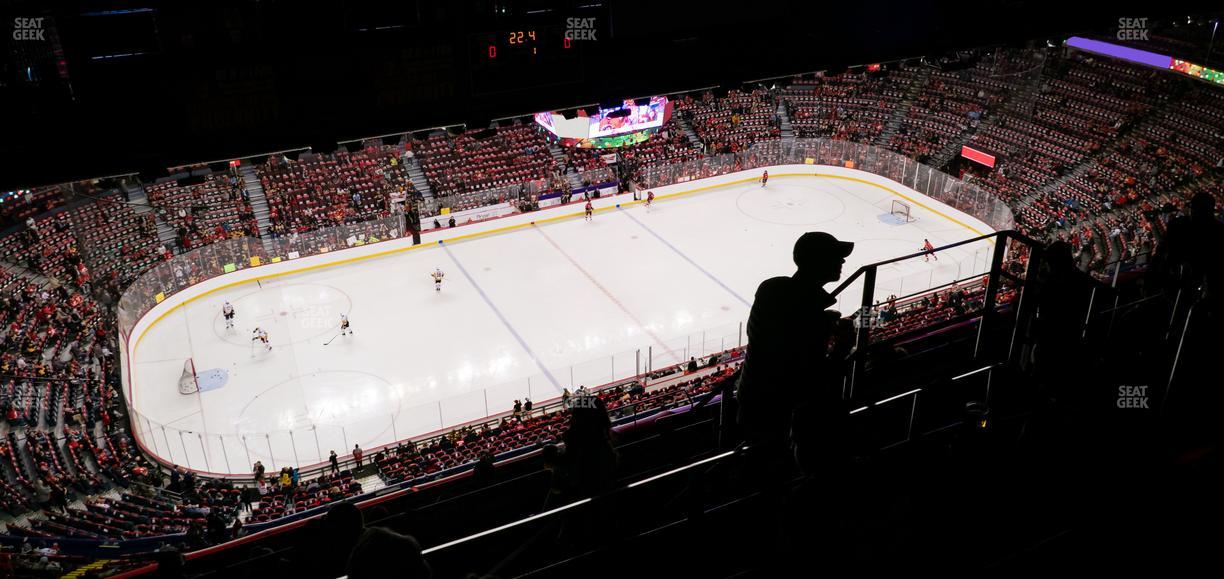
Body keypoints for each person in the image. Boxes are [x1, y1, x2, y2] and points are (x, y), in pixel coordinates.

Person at [735, 232, 854, 476]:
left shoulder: (771, 289)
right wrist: (842, 345)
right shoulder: (811, 317)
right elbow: (813, 375)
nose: (842, 262)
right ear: (817, 262)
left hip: (753, 394)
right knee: (769, 462)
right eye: (836, 257)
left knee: (756, 454)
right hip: (778, 406)